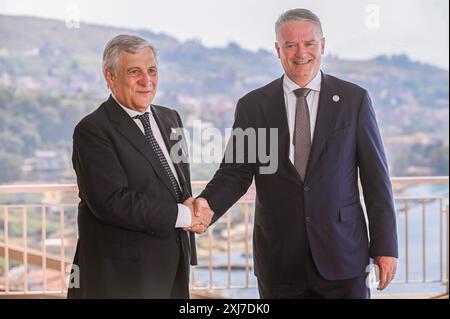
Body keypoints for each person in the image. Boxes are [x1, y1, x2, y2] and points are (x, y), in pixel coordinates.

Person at [194, 9, 398, 299]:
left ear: (323, 45)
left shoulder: (354, 100)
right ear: (278, 50)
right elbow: (235, 173)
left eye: (309, 43)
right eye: (290, 45)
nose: (300, 52)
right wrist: (206, 207)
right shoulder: (253, 106)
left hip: (343, 258)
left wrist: (385, 247)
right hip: (280, 263)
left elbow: (376, 179)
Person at [67, 34, 212, 298]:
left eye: (152, 71)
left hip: (173, 268)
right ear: (110, 77)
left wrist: (194, 206)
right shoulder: (92, 130)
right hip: (120, 278)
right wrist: (184, 216)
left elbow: (176, 185)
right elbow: (112, 202)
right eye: (135, 72)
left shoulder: (171, 118)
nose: (147, 81)